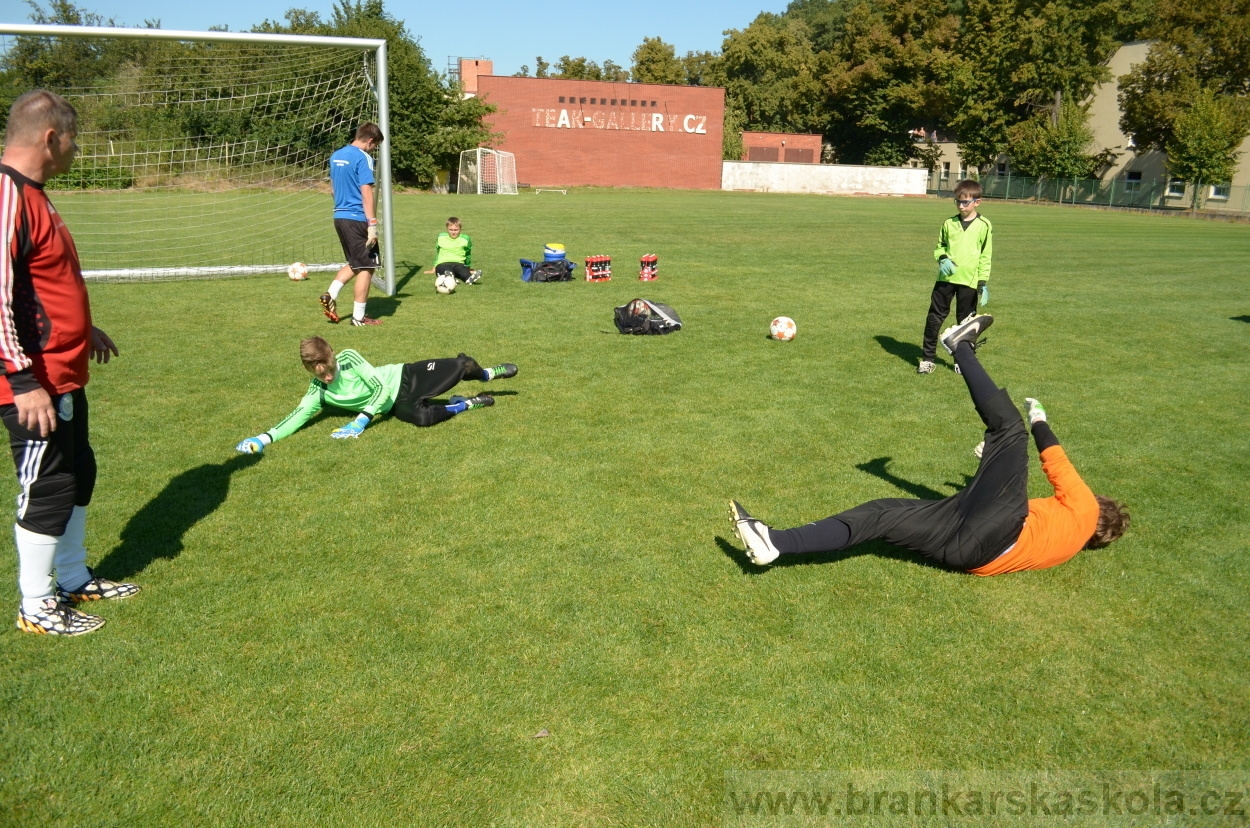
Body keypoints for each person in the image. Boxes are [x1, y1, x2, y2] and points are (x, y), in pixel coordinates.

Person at [730, 314, 1130, 575]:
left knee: (1010, 429)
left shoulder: (1086, 508)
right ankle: (775, 543)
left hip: (994, 532)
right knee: (880, 514)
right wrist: (989, 467)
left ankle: (960, 345)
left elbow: (1054, 460)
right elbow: (992, 507)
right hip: (966, 556)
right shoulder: (1064, 548)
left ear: (1101, 510)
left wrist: (1038, 418)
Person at [1, 90, 138, 636]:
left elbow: (44, 284)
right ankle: (36, 605)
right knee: (48, 485)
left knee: (79, 472)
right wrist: (21, 379)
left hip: (61, 371)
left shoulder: (36, 195)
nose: (77, 150)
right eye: (74, 139)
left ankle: (74, 577)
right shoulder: (7, 194)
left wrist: (85, 330)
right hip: (31, 382)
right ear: (51, 137)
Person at [235, 337, 517, 453]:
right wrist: (263, 439)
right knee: (423, 418)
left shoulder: (349, 358)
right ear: (308, 369)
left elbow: (380, 387)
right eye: (320, 374)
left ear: (332, 355)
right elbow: (296, 417)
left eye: (329, 370)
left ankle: (488, 374)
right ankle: (465, 404)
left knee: (461, 366)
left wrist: (360, 421)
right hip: (395, 404)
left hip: (405, 376)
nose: (328, 377)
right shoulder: (317, 391)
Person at [919, 179, 992, 375]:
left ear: (977, 202)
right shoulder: (948, 223)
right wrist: (942, 258)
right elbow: (940, 247)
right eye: (958, 201)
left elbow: (985, 255)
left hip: (969, 281)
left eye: (965, 202)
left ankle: (963, 360)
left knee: (966, 325)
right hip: (945, 280)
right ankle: (927, 359)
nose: (961, 206)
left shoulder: (984, 225)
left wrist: (982, 282)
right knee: (934, 319)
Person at [320, 123, 384, 327]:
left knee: (356, 262)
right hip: (357, 218)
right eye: (375, 146)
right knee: (367, 267)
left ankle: (330, 294)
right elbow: (366, 192)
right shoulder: (363, 157)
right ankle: (358, 318)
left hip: (339, 216)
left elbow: (332, 189)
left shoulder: (336, 155)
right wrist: (372, 224)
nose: (373, 150)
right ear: (370, 141)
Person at [423, 216, 481, 285]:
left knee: (463, 271)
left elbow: (468, 255)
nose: (453, 232)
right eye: (451, 230)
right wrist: (433, 269)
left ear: (460, 229)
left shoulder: (466, 239)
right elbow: (438, 253)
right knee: (445, 270)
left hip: (459, 263)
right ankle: (451, 278)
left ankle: (469, 278)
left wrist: (468, 268)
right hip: (443, 263)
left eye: (456, 230)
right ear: (447, 228)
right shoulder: (441, 237)